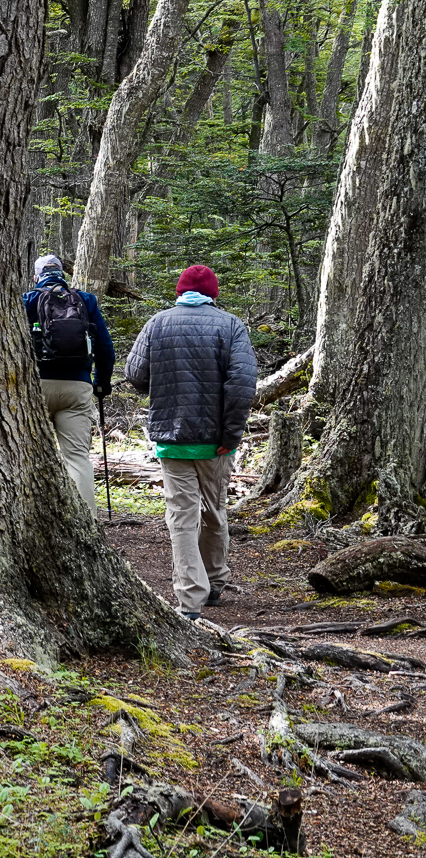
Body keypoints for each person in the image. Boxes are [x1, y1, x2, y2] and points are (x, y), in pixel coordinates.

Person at [125, 265, 257, 620]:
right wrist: (230, 435)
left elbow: (135, 375)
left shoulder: (158, 323)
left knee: (182, 518)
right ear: (214, 294)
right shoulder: (230, 326)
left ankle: (189, 600)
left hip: (173, 438)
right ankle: (214, 582)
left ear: (180, 292)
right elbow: (243, 386)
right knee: (214, 510)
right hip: (216, 441)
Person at [22, 254, 115, 512]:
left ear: (36, 277)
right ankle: (88, 524)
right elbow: (105, 347)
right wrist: (101, 383)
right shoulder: (85, 300)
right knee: (77, 459)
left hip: (35, 389)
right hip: (77, 387)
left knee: (28, 457)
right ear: (63, 274)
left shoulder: (28, 300)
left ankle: (33, 520)